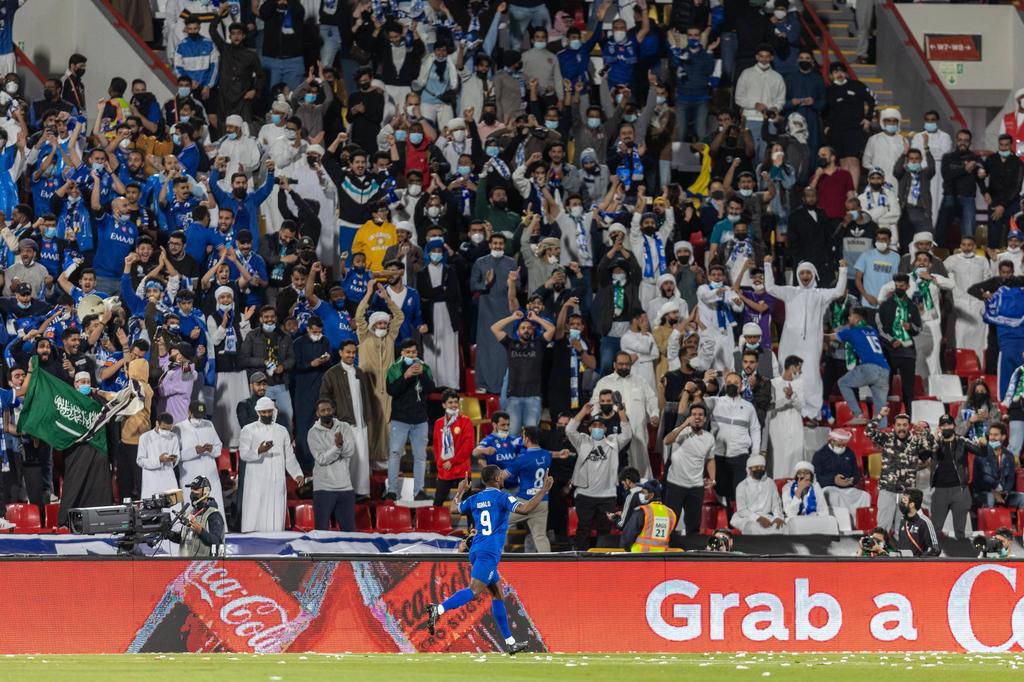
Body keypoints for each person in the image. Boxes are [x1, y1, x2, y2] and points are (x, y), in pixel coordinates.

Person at [426, 466, 553, 655]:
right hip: (488, 552)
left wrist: (461, 490)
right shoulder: (502, 497)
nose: (503, 475)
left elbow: (454, 508)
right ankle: (439, 609)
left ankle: (510, 643)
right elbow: (525, 509)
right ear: (495, 478)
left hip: (478, 550)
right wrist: (543, 490)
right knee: (474, 589)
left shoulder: (476, 498)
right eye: (500, 473)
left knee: (497, 594)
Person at [764, 255, 848, 419]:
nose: (805, 276)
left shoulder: (820, 294)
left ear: (813, 274)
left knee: (810, 375)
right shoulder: (790, 292)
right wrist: (767, 265)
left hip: (810, 344)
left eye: (808, 273)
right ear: (797, 275)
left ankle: (811, 413)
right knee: (786, 372)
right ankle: (786, 407)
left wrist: (843, 270)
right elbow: (770, 288)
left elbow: (838, 291)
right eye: (802, 273)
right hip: (790, 342)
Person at [319, 340, 383, 501]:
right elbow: (324, 398)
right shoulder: (331, 374)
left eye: (353, 353)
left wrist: (368, 419)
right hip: (342, 423)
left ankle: (361, 491)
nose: (351, 355)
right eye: (348, 352)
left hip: (360, 423)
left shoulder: (360, 373)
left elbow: (367, 397)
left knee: (361, 458)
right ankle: (344, 491)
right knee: (345, 458)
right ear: (340, 352)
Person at [566, 400, 633, 550]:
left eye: (600, 426)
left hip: (607, 496)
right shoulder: (582, 441)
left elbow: (627, 434)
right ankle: (580, 559)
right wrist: (583, 412)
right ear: (589, 429)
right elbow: (570, 430)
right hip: (584, 494)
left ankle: (602, 559)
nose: (597, 428)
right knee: (583, 529)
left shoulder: (613, 442)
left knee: (605, 531)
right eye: (594, 426)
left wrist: (621, 411)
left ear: (605, 428)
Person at [238, 396, 303, 532]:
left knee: (276, 515)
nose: (267, 414)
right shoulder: (248, 430)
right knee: (255, 513)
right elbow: (243, 454)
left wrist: (297, 474)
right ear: (258, 412)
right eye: (264, 412)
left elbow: (289, 456)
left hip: (276, 481)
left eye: (269, 411)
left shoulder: (282, 430)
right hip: (257, 482)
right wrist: (259, 451)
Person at [867, 407, 936, 532]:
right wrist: (880, 416)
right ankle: (880, 551)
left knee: (903, 530)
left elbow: (930, 450)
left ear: (909, 426)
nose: (901, 428)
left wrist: (925, 433)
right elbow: (869, 432)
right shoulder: (887, 438)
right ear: (893, 426)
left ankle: (902, 551)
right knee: (882, 528)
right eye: (898, 425)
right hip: (888, 489)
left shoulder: (916, 442)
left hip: (907, 493)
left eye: (904, 425)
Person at [592, 352, 659, 479]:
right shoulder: (604, 382)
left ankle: (642, 492)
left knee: (641, 465)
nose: (624, 367)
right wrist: (599, 423)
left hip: (637, 432)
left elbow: (651, 399)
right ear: (614, 365)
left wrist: (654, 414)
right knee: (615, 467)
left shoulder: (640, 381)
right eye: (621, 364)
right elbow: (594, 404)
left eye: (627, 364)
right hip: (615, 434)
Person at [385, 339, 435, 501]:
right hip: (400, 419)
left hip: (420, 419)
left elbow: (430, 389)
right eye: (408, 352)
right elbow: (392, 390)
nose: (412, 355)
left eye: (414, 352)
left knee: (420, 456)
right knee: (394, 454)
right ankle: (392, 490)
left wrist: (422, 375)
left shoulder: (424, 367)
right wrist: (406, 376)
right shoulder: (395, 368)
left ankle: (419, 491)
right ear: (402, 353)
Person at [925, 415, 985, 540]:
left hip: (960, 490)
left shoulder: (962, 441)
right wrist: (933, 440)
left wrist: (984, 445)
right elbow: (923, 455)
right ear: (939, 427)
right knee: (935, 528)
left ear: (954, 426)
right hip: (940, 490)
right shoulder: (933, 442)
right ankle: (932, 556)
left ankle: (961, 556)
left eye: (949, 424)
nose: (946, 427)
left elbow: (981, 453)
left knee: (960, 530)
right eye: (943, 425)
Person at [829, 306, 890, 426]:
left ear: (856, 318)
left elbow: (830, 337)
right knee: (881, 409)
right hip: (884, 369)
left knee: (843, 382)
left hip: (869, 368)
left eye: (850, 316)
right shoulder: (872, 330)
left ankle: (858, 415)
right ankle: (883, 437)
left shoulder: (852, 331)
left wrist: (816, 335)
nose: (848, 318)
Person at [504, 426, 561, 553]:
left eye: (523, 436)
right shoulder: (546, 455)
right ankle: (549, 566)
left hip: (524, 502)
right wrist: (560, 454)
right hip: (542, 501)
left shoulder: (522, 459)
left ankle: (497, 557)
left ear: (527, 438)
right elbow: (551, 454)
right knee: (540, 536)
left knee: (499, 522)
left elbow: (502, 476)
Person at [662, 402, 715, 535]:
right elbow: (666, 441)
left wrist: (713, 479)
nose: (697, 417)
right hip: (676, 484)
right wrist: (685, 424)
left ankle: (692, 553)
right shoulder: (681, 432)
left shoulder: (709, 438)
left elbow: (710, 459)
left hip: (696, 486)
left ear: (705, 418)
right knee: (670, 523)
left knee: (694, 525)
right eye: (694, 414)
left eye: (700, 415)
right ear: (689, 416)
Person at [307, 399, 356, 531]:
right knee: (321, 530)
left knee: (349, 531)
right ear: (318, 413)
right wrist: (338, 447)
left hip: (345, 486)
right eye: (323, 410)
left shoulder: (344, 427)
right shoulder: (312, 433)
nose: (326, 412)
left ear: (333, 410)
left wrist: (338, 448)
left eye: (329, 410)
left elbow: (350, 451)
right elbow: (321, 459)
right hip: (323, 488)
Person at [812, 429, 869, 527]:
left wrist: (852, 480)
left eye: (844, 445)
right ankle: (842, 526)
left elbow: (856, 474)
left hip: (847, 488)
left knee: (865, 496)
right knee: (835, 496)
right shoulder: (820, 455)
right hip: (828, 488)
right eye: (839, 445)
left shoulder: (849, 453)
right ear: (832, 441)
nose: (842, 447)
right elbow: (816, 478)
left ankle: (859, 524)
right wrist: (833, 480)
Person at [174, 401, 224, 512]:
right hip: (190, 474)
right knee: (192, 505)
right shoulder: (179, 428)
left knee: (213, 502)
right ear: (189, 412)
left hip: (210, 472)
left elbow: (218, 448)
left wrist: (212, 449)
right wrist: (194, 451)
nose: (199, 419)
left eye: (201, 416)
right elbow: (175, 457)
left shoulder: (209, 424)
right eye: (196, 416)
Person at [432, 390, 473, 507]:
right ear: (444, 405)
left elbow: (468, 446)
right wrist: (440, 463)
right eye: (450, 402)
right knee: (438, 502)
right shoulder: (438, 423)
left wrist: (452, 461)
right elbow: (436, 446)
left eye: (456, 402)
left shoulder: (466, 421)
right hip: (445, 470)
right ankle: (435, 525)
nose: (454, 405)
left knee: (468, 503)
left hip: (462, 469)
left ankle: (472, 526)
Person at [167, 476, 226, 558]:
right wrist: (168, 534)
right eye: (191, 489)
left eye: (196, 489)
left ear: (206, 491)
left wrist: (201, 531)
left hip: (204, 566)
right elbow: (183, 539)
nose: (192, 492)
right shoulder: (189, 512)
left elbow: (217, 541)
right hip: (185, 565)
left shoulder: (213, 515)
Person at [973, 422, 1024, 509]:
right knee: (990, 498)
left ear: (1003, 437)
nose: (992, 438)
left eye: (996, 435)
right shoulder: (981, 454)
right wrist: (994, 492)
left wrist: (1005, 492)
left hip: (1003, 493)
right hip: (984, 492)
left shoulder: (1009, 456)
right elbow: (979, 480)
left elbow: (1010, 479)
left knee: (1022, 498)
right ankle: (990, 522)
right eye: (991, 434)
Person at [768, 355, 804, 479]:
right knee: (779, 458)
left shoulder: (800, 384)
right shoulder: (773, 383)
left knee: (795, 456)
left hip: (795, 425)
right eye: (799, 368)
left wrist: (792, 396)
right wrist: (786, 399)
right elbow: (770, 405)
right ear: (792, 367)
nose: (800, 372)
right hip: (777, 424)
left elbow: (802, 407)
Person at [731, 454, 785, 535]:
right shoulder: (742, 485)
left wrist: (778, 517)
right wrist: (758, 518)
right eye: (756, 467)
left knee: (783, 527)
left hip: (767, 517)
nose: (759, 469)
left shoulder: (770, 482)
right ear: (749, 469)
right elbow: (742, 511)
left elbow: (776, 504)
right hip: (747, 518)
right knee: (752, 527)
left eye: (762, 467)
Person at [781, 460, 839, 535]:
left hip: (813, 519)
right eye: (800, 473)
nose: (803, 476)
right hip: (796, 519)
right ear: (796, 476)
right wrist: (799, 490)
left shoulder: (815, 486)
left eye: (806, 473)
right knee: (794, 522)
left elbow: (823, 511)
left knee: (831, 520)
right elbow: (790, 513)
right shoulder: (787, 487)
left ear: (811, 476)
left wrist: (814, 516)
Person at [621, 480, 678, 552]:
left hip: (639, 557)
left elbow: (628, 537)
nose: (641, 494)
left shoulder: (642, 512)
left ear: (651, 495)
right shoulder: (671, 514)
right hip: (661, 558)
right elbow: (671, 537)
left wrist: (626, 550)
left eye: (643, 492)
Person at [136, 414, 181, 504]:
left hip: (169, 478)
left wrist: (173, 459)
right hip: (151, 480)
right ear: (157, 423)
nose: (167, 431)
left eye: (169, 429)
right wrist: (159, 460)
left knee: (175, 507)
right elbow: (140, 460)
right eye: (164, 428)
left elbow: (177, 456)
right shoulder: (145, 437)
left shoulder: (174, 437)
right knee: (152, 510)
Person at [894, 488, 936, 557]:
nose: (901, 502)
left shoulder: (925, 522)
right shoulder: (903, 520)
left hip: (917, 565)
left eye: (904, 500)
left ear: (912, 504)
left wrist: (918, 560)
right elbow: (900, 546)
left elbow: (935, 549)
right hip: (902, 565)